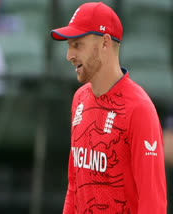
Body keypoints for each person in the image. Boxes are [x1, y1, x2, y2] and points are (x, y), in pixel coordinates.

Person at [50, 2, 167, 213]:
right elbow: (74, 186)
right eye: (68, 46)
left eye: (77, 45)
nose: (69, 55)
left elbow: (153, 203)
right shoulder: (79, 99)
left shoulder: (139, 109)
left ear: (104, 43)